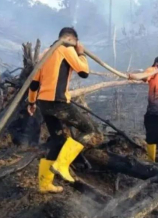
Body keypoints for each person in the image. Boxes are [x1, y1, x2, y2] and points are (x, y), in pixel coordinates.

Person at [27, 27, 102, 193]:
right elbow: (84, 72)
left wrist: (31, 103)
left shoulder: (45, 53)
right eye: (76, 42)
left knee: (58, 140)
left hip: (43, 103)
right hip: (58, 102)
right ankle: (62, 164)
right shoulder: (66, 48)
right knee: (90, 130)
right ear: (71, 39)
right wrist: (81, 53)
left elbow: (34, 83)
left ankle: (44, 184)